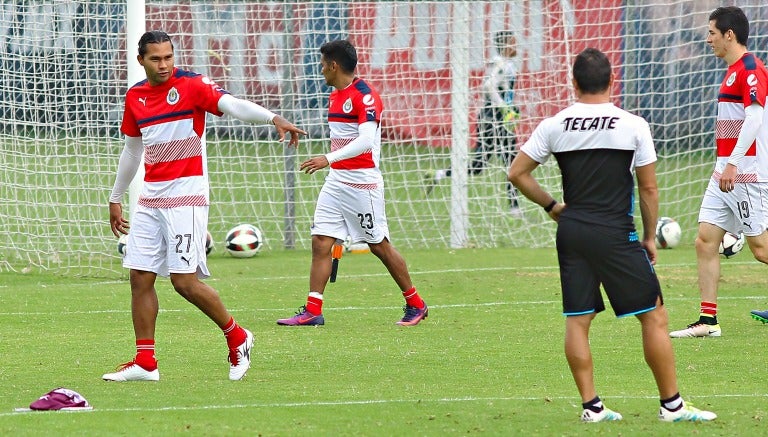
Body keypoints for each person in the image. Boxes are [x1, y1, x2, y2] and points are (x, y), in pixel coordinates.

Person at [508, 48, 716, 422]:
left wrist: (553, 207)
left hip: (572, 232)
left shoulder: (555, 124)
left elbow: (517, 173)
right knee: (653, 316)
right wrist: (650, 238)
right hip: (614, 232)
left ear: (573, 83)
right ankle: (672, 406)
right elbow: (649, 189)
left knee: (578, 319)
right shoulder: (632, 125)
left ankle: (592, 408)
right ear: (612, 81)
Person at [105, 30, 306, 382]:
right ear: (141, 60)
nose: (164, 64)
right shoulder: (135, 96)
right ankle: (145, 363)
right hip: (151, 197)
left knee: (184, 282)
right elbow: (132, 149)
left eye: (168, 57)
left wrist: (272, 117)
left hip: (187, 196)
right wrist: (115, 197)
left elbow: (232, 104)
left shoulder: (192, 85)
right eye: (155, 58)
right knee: (139, 276)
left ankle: (238, 336)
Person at [276, 39, 428, 327]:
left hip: (362, 184)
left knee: (379, 245)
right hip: (337, 182)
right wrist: (333, 164)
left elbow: (366, 141)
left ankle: (416, 304)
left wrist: (328, 158)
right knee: (321, 241)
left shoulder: (364, 96)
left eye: (322, 65)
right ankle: (312, 310)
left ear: (334, 65)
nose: (320, 70)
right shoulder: (335, 95)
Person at [669, 6, 768, 338]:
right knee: (705, 240)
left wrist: (734, 163)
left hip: (745, 173)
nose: (707, 38)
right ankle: (708, 322)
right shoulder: (732, 70)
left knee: (761, 248)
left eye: (711, 32)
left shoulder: (751, 68)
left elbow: (754, 119)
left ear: (729, 35)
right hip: (724, 172)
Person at [425, 31, 522, 216]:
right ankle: (514, 208)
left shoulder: (505, 64)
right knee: (511, 162)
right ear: (506, 45)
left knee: (485, 164)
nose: (516, 47)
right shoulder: (500, 64)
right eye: (513, 43)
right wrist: (503, 107)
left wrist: (509, 108)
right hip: (493, 118)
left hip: (494, 117)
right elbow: (487, 86)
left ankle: (439, 174)